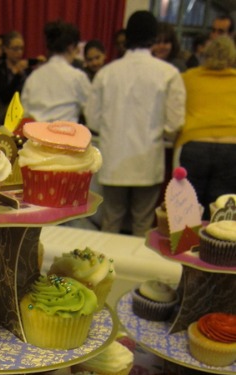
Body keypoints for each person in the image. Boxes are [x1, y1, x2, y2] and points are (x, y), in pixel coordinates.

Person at [85, 10, 185, 237]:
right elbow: (174, 123)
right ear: (154, 37)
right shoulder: (168, 73)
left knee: (110, 222)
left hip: (114, 160)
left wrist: (113, 131)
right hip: (147, 160)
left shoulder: (106, 73)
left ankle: (103, 271)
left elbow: (92, 118)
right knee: (142, 224)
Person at [176, 36, 236, 220]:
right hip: (231, 146)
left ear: (205, 54)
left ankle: (185, 248)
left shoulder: (188, 77)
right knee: (221, 212)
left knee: (188, 211)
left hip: (195, 145)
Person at [21, 20, 90, 122]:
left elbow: (24, 112)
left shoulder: (34, 77)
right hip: (65, 135)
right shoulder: (77, 77)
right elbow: (92, 112)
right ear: (71, 47)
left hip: (35, 134)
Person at [0, 31, 35, 123]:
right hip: (3, 117)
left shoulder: (27, 70)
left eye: (21, 48)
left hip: (24, 115)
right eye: (15, 49)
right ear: (5, 49)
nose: (19, 52)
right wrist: (16, 75)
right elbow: (4, 96)